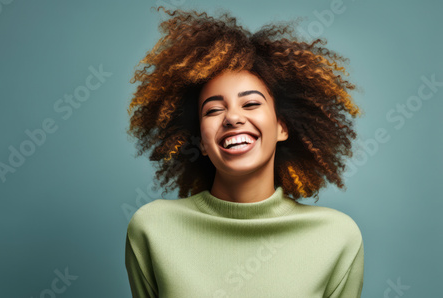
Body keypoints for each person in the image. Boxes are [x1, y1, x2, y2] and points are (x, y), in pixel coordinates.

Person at [125, 7, 364, 298]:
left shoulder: (336, 237)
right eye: (214, 109)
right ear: (200, 140)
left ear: (282, 127)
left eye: (250, 104)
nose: (232, 118)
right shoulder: (153, 229)